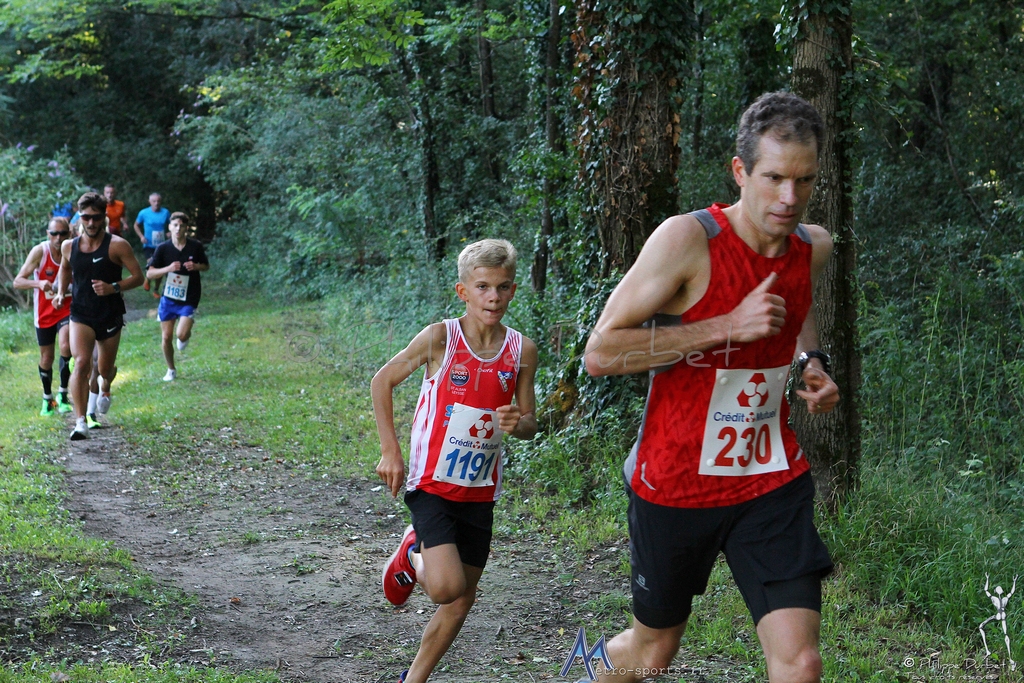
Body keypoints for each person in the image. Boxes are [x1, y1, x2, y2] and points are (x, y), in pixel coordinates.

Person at [582, 91, 840, 683]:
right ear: (740, 171)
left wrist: (811, 362)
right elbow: (600, 353)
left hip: (767, 476)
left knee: (801, 662)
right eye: (774, 178)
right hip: (675, 482)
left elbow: (797, 307)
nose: (789, 197)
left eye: (804, 180)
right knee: (653, 652)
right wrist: (726, 325)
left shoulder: (812, 247)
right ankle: (587, 670)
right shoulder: (688, 240)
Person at [373, 239, 538, 683]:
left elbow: (529, 423)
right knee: (447, 588)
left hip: (480, 489)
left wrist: (517, 422)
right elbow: (382, 381)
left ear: (513, 290)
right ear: (463, 291)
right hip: (432, 482)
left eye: (503, 287)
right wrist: (391, 451)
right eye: (482, 287)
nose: (494, 297)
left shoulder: (522, 350)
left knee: (462, 599)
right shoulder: (440, 338)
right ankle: (413, 552)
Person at [54, 192, 144, 440]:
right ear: (79, 217)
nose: (91, 223)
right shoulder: (69, 246)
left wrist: (113, 287)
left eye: (96, 218)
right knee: (82, 362)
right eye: (86, 218)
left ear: (104, 217)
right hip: (81, 313)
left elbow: (139, 277)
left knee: (103, 369)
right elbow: (65, 268)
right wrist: (61, 293)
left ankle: (106, 386)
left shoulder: (117, 245)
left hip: (109, 314)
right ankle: (80, 422)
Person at [12, 217, 74, 416]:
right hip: (44, 312)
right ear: (48, 234)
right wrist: (38, 283)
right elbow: (18, 281)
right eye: (54, 233)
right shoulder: (40, 251)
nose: (58, 238)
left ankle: (63, 394)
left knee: (66, 345)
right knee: (46, 357)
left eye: (62, 233)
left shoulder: (74, 249)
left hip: (66, 308)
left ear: (69, 234)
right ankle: (48, 398)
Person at [147, 211, 209, 381]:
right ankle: (171, 369)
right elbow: (150, 273)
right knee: (166, 337)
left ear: (186, 228)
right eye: (175, 225)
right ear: (169, 227)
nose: (178, 229)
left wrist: (196, 266)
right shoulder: (163, 248)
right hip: (169, 297)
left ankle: (185, 333)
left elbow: (206, 266)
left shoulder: (195, 246)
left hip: (190, 296)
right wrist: (168, 269)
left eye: (181, 226)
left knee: (181, 335)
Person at [133, 192, 170, 295]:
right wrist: (141, 236)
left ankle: (156, 289)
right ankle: (148, 280)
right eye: (154, 201)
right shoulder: (144, 213)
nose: (156, 203)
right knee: (152, 264)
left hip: (161, 245)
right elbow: (136, 225)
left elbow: (172, 224)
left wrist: (170, 232)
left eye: (158, 201)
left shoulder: (165, 212)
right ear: (149, 202)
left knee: (160, 267)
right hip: (148, 244)